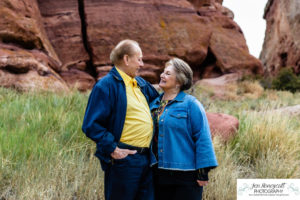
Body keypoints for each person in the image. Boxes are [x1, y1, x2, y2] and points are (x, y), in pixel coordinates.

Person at [82, 39, 159, 200]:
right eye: (139, 59)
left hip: (147, 159)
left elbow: (160, 102)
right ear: (126, 59)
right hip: (125, 160)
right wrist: (113, 149)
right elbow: (91, 124)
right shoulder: (106, 85)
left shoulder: (141, 84)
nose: (142, 64)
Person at [150, 58, 218, 200]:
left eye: (168, 73)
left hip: (186, 175)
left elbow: (202, 137)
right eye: (163, 72)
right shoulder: (153, 105)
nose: (162, 75)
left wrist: (203, 171)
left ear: (179, 81)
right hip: (158, 172)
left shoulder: (191, 104)